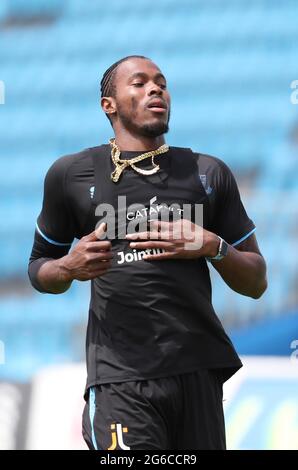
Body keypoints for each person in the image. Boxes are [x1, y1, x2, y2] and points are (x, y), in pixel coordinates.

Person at [28, 55, 267, 450]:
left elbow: (257, 281)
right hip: (120, 379)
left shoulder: (207, 173)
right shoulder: (71, 175)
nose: (155, 89)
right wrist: (69, 266)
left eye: (161, 82)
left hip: (198, 372)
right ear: (110, 104)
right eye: (139, 83)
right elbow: (38, 270)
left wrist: (212, 246)